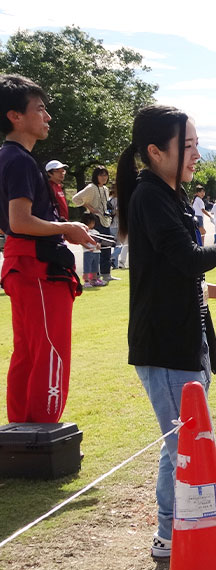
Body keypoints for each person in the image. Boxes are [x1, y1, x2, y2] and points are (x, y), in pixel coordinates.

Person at [115, 104, 216, 558]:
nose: (196, 153)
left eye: (197, 143)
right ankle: (176, 534)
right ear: (156, 152)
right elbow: (186, 259)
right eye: (189, 144)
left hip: (185, 338)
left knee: (180, 441)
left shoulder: (170, 195)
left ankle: (176, 530)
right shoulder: (150, 197)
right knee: (185, 443)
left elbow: (174, 272)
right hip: (164, 346)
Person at [0, 73, 96, 423]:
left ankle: (20, 431)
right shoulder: (22, 160)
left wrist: (59, 230)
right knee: (50, 351)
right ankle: (43, 431)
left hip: (21, 265)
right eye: (40, 109)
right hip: (37, 269)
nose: (48, 117)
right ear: (15, 116)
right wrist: (66, 227)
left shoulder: (7, 158)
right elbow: (20, 221)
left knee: (27, 352)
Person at [72, 165, 117, 283]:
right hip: (94, 221)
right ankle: (94, 276)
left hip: (105, 220)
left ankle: (106, 273)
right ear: (95, 176)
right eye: (101, 175)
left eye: (105, 175)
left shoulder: (105, 189)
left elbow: (105, 204)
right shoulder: (91, 188)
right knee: (95, 248)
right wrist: (89, 207)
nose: (104, 177)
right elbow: (76, 199)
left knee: (107, 246)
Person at [80, 213, 103, 288]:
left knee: (95, 267)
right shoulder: (84, 231)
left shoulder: (96, 232)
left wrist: (99, 244)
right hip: (88, 252)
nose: (93, 224)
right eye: (91, 222)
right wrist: (87, 247)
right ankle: (86, 281)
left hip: (96, 252)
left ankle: (94, 280)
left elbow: (100, 240)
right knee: (87, 267)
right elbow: (81, 241)